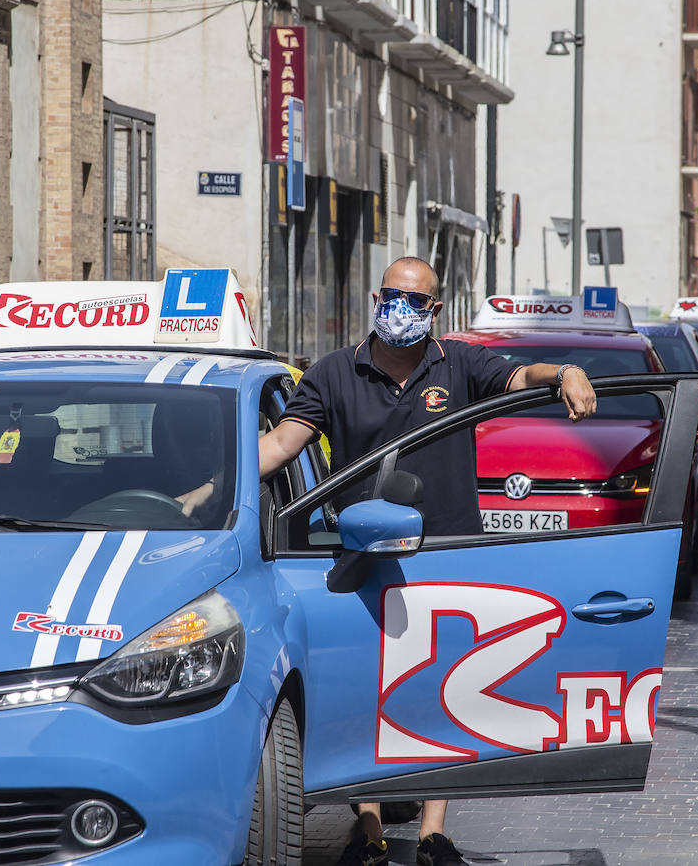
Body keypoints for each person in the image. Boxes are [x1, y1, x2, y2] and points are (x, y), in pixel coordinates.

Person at [184, 257, 597, 866]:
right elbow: (279, 445)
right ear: (376, 299)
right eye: (390, 295)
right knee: (371, 692)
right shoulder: (332, 372)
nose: (399, 307)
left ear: (435, 310)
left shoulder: (459, 363)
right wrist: (206, 492)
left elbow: (521, 377)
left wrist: (565, 371)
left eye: (414, 299)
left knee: (440, 692)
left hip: (447, 552)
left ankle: (433, 832)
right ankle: (370, 829)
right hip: (366, 552)